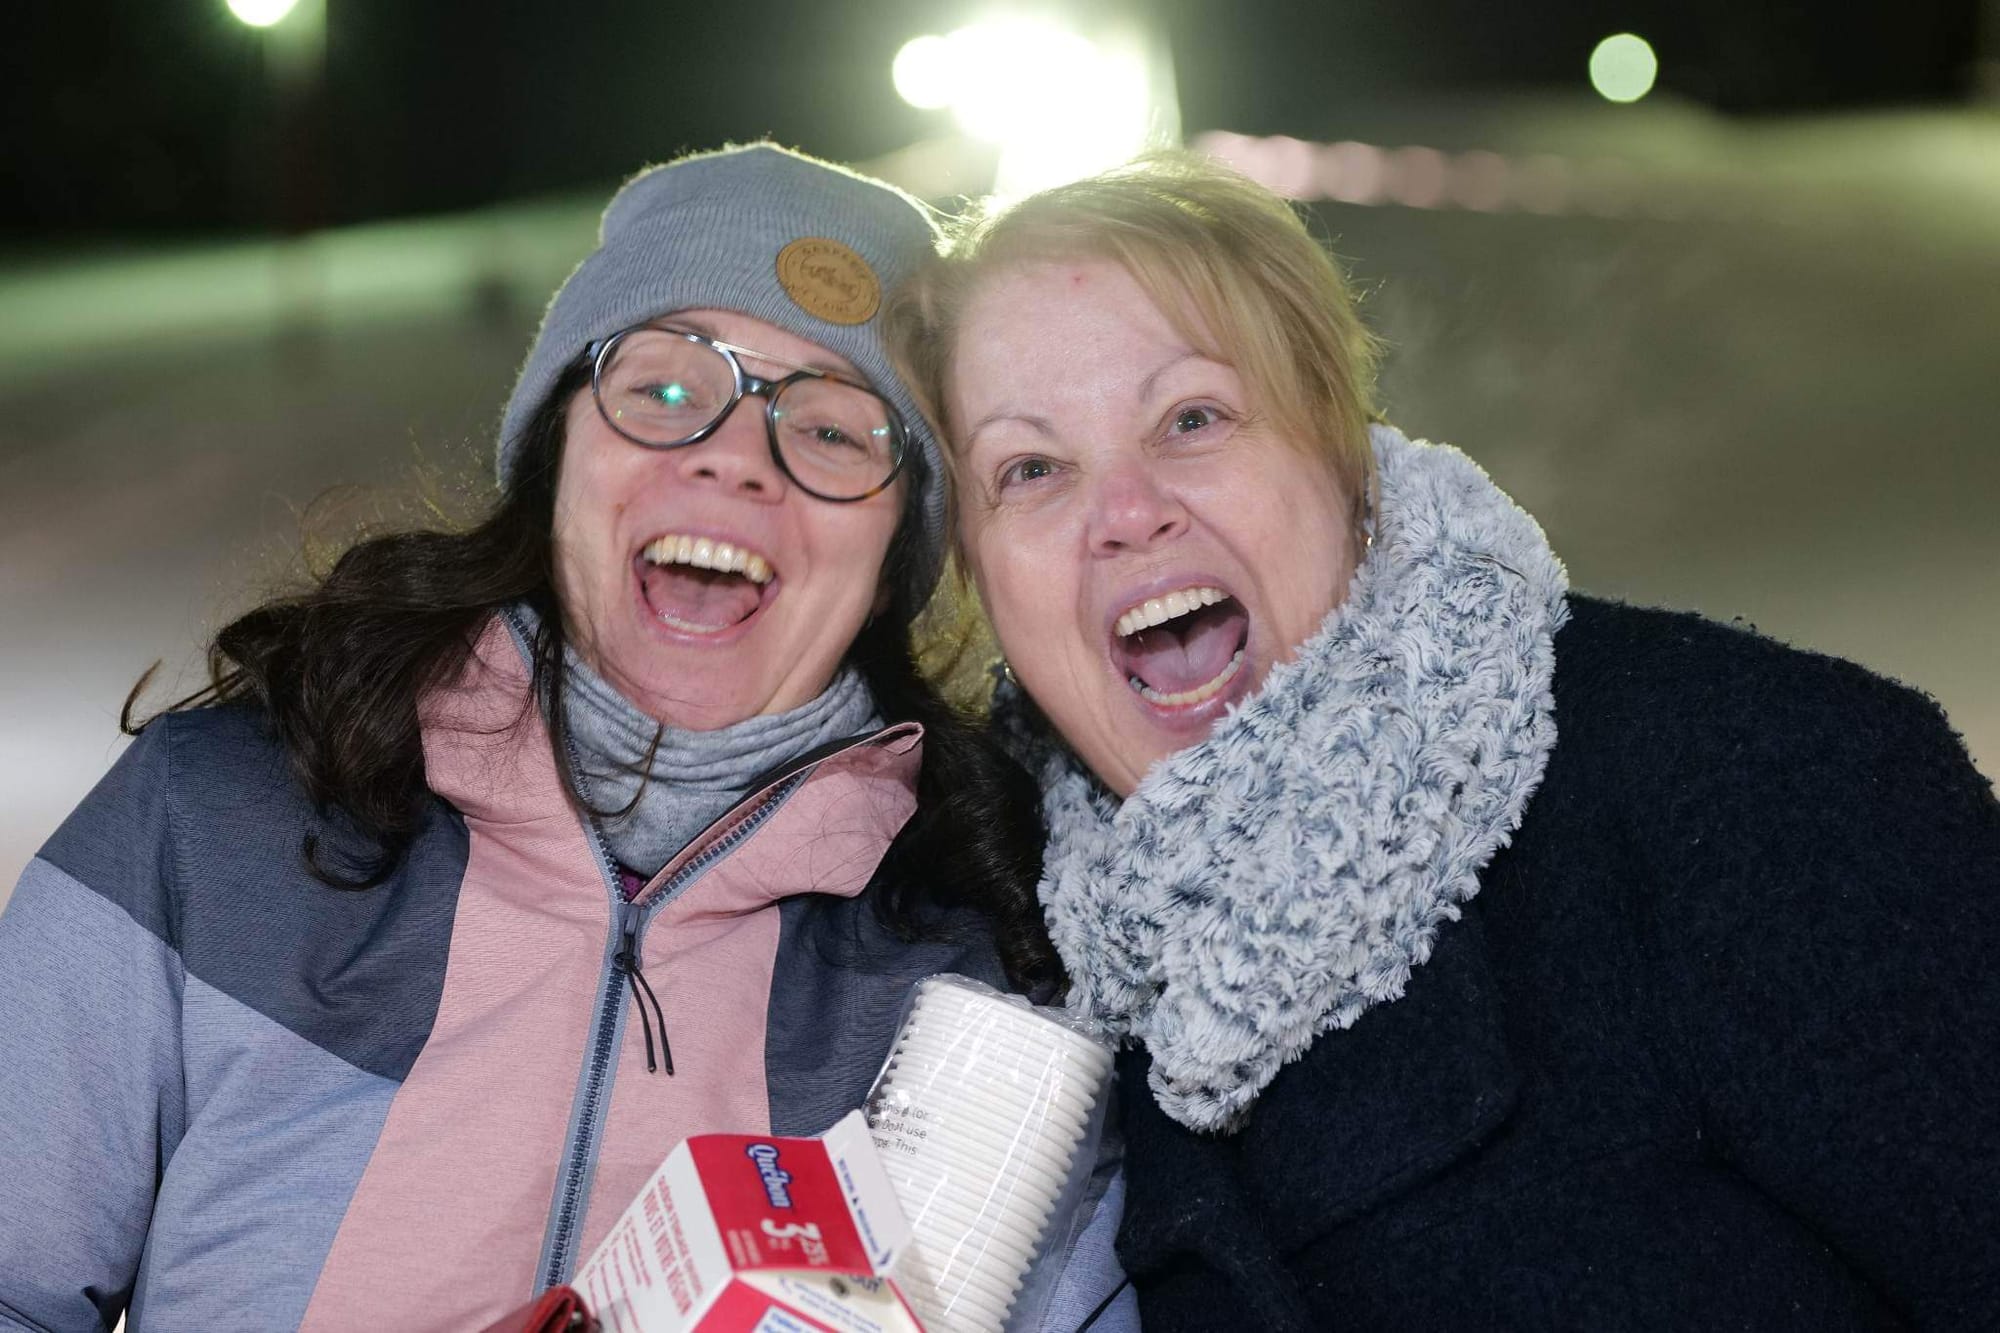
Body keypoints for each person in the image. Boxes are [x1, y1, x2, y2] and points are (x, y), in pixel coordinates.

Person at [0, 143, 1123, 1331]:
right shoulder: (213, 818)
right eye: (668, 390)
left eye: (837, 432)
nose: (736, 459)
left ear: (897, 552)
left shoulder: (979, 975)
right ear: (556, 452)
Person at [888, 153, 2000, 1329]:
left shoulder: (1746, 780)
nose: (1125, 512)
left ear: (1338, 447)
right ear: (976, 571)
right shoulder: (1029, 984)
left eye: (1193, 417)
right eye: (1030, 469)